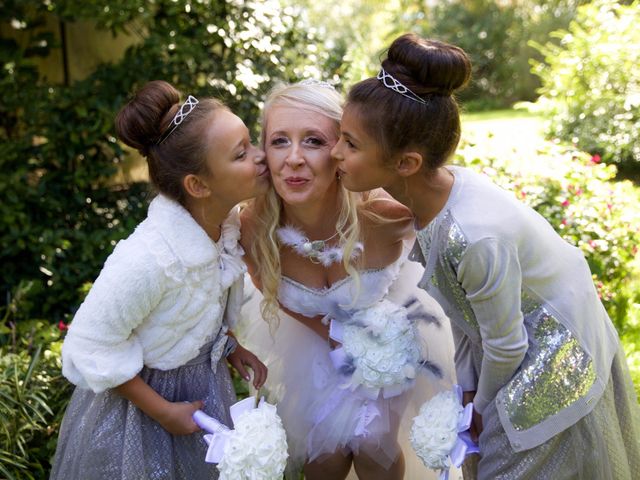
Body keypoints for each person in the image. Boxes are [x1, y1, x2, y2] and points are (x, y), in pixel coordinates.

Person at [332, 32, 640, 479]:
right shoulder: (430, 203)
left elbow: (506, 344)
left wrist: (482, 404)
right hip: (511, 349)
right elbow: (466, 315)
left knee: (509, 461)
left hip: (555, 352)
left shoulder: (474, 236)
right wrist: (467, 388)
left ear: (407, 163)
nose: (336, 153)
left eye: (350, 144)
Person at [237, 80, 458, 480]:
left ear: (341, 150)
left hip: (393, 342)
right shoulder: (254, 226)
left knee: (374, 447)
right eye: (279, 141)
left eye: (315, 141)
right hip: (312, 347)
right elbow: (268, 286)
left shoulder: (384, 216)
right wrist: (334, 337)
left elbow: (450, 230)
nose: (294, 159)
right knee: (325, 459)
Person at [50, 80, 269, 480]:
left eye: (251, 142)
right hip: (142, 413)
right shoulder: (149, 259)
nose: (261, 156)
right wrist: (163, 411)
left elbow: (199, 305)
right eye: (241, 154)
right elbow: (88, 343)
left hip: (202, 390)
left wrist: (231, 345)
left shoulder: (225, 226)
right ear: (198, 185)